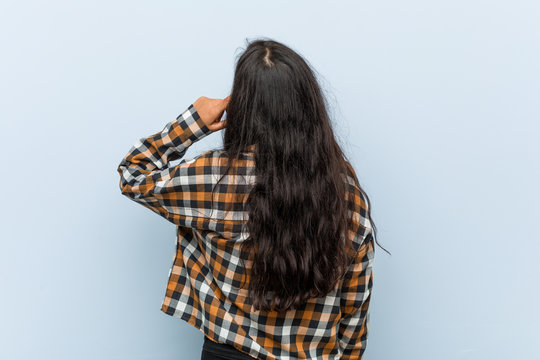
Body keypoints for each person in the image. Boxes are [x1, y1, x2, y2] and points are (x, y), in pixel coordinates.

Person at [117, 38, 388, 360]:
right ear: (309, 105)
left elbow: (133, 174)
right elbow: (356, 300)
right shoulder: (341, 188)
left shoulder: (213, 178)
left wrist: (190, 124)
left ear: (242, 104)